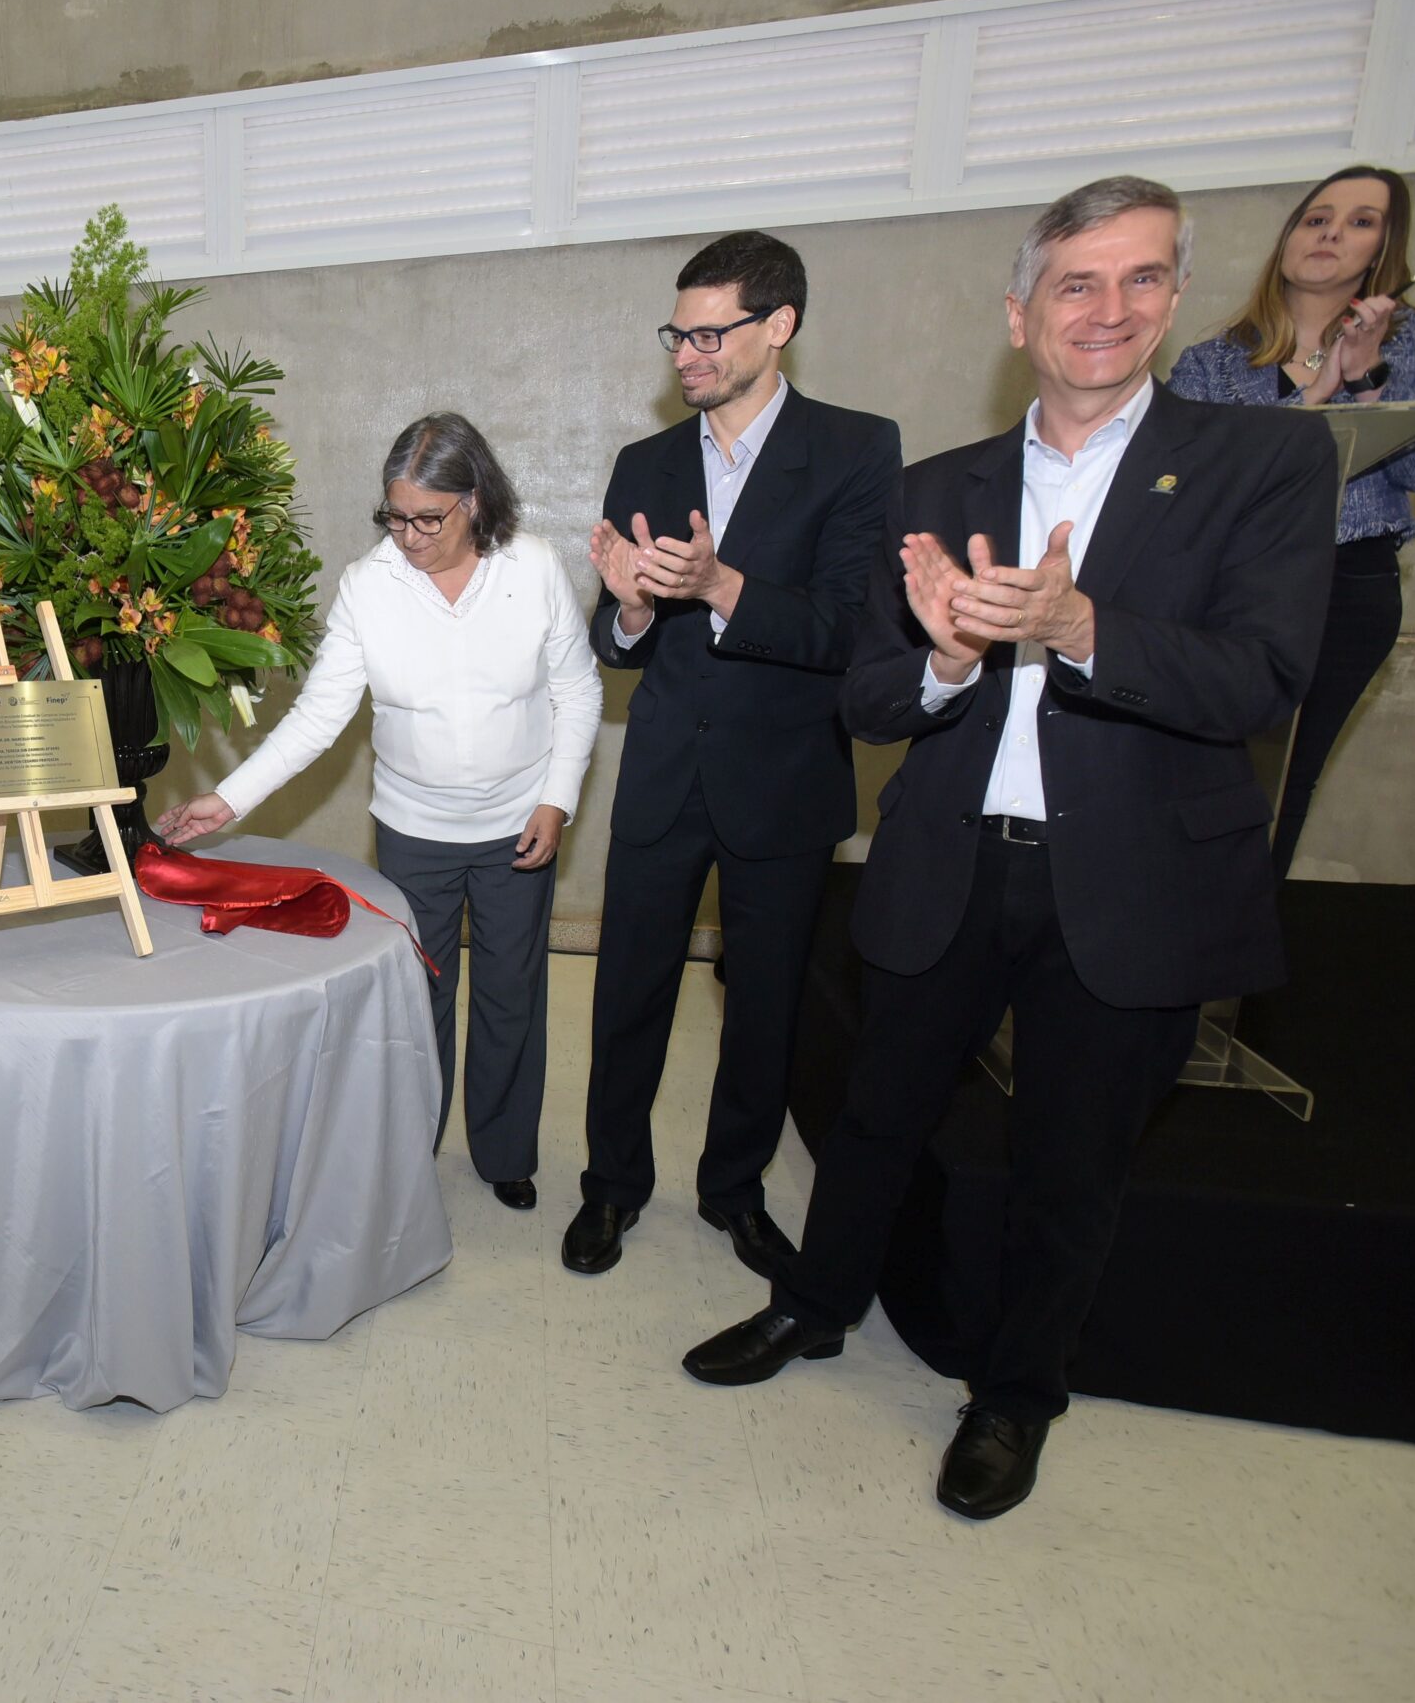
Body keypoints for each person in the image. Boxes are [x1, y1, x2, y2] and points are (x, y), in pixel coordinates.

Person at [681, 177, 1338, 1521]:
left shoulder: (1262, 464)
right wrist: (942, 654)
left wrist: (1080, 625)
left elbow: (1265, 680)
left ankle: (1016, 1397)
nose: (1109, 310)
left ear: (1173, 297)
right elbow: (868, 699)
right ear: (1019, 311)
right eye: (1076, 284)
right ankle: (812, 1305)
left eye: (1141, 279)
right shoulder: (938, 486)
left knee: (1072, 1155)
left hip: (1134, 875)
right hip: (951, 857)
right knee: (877, 1118)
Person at [562, 232, 902, 1280]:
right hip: (665, 774)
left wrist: (720, 587)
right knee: (624, 995)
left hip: (785, 780)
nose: (687, 354)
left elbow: (851, 630)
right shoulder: (647, 461)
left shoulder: (854, 449)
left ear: (779, 326)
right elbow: (610, 639)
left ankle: (733, 1189)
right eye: (679, 332)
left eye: (711, 333)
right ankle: (611, 1186)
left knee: (764, 1007)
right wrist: (623, 608)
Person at [155, 413, 600, 1211]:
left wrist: (557, 799)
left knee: (511, 991)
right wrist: (227, 800)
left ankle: (505, 1152)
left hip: (518, 826)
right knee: (416, 994)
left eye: (428, 517)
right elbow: (317, 718)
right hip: (413, 830)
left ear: (473, 501)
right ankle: (411, 1140)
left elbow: (577, 691)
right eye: (395, 516)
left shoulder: (532, 568)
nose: (409, 535)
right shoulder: (370, 584)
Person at [1169, 165, 1415, 877]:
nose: (1331, 234)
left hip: (1351, 582)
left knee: (1289, 780)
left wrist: (1370, 376)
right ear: (1288, 237)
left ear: (1383, 249)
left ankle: (1238, 961)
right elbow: (1198, 488)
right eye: (1316, 218)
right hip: (1230, 587)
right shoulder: (1212, 362)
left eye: (1360, 221)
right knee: (1208, 777)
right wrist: (1317, 392)